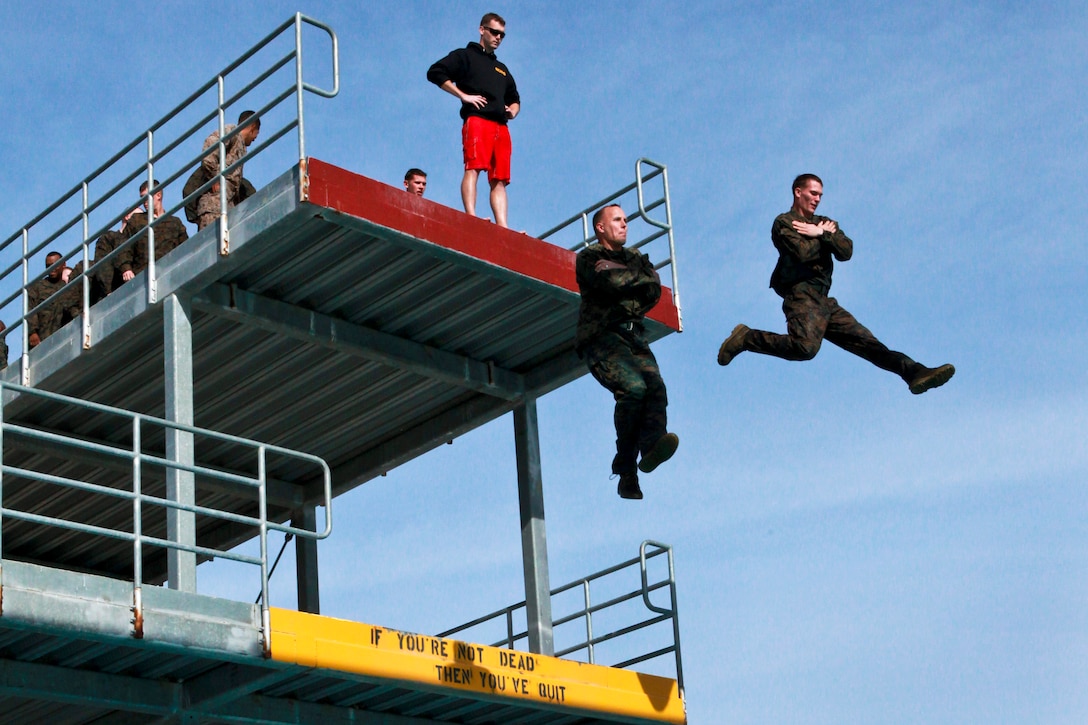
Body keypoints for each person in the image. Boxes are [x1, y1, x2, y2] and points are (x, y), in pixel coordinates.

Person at [717, 174, 955, 395]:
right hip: (801, 295)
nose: (817, 199)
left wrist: (820, 233)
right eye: (813, 193)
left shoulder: (824, 223)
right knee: (805, 348)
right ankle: (747, 337)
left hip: (824, 302)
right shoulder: (784, 223)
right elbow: (802, 253)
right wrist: (821, 235)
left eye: (820, 195)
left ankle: (914, 372)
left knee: (868, 343)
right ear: (798, 192)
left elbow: (846, 251)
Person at [576, 204, 679, 500]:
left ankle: (650, 447)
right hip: (602, 337)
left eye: (626, 220)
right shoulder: (589, 257)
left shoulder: (635, 257)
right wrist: (630, 277)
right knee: (634, 389)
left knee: (656, 389)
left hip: (634, 335)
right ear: (600, 228)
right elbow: (609, 283)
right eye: (618, 220)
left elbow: (653, 289)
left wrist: (624, 274)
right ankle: (626, 470)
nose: (625, 225)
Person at [427, 12, 520, 228]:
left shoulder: (502, 69)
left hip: (501, 127)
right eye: (495, 32)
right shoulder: (465, 56)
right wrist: (463, 95)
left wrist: (513, 111)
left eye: (502, 35)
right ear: (482, 30)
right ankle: (471, 215)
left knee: (500, 179)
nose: (498, 37)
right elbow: (435, 72)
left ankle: (503, 227)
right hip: (478, 120)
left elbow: (515, 98)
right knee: (474, 167)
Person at [196, 111, 260, 230]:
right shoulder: (232, 132)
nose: (256, 137)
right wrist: (215, 178)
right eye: (257, 132)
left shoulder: (241, 146)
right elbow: (209, 151)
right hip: (214, 206)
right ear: (252, 127)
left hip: (226, 206)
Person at [119, 180, 189, 282]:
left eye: (146, 197)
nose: (144, 202)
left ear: (158, 195)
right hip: (142, 277)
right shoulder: (136, 220)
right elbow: (124, 245)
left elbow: (185, 248)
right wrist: (126, 268)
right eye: (142, 198)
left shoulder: (174, 223)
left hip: (170, 275)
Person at [27, 251, 71, 348]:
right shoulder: (37, 287)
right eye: (48, 266)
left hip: (63, 337)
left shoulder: (68, 287)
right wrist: (32, 332)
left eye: (55, 265)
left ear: (63, 265)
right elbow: (30, 310)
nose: (51, 269)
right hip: (42, 340)